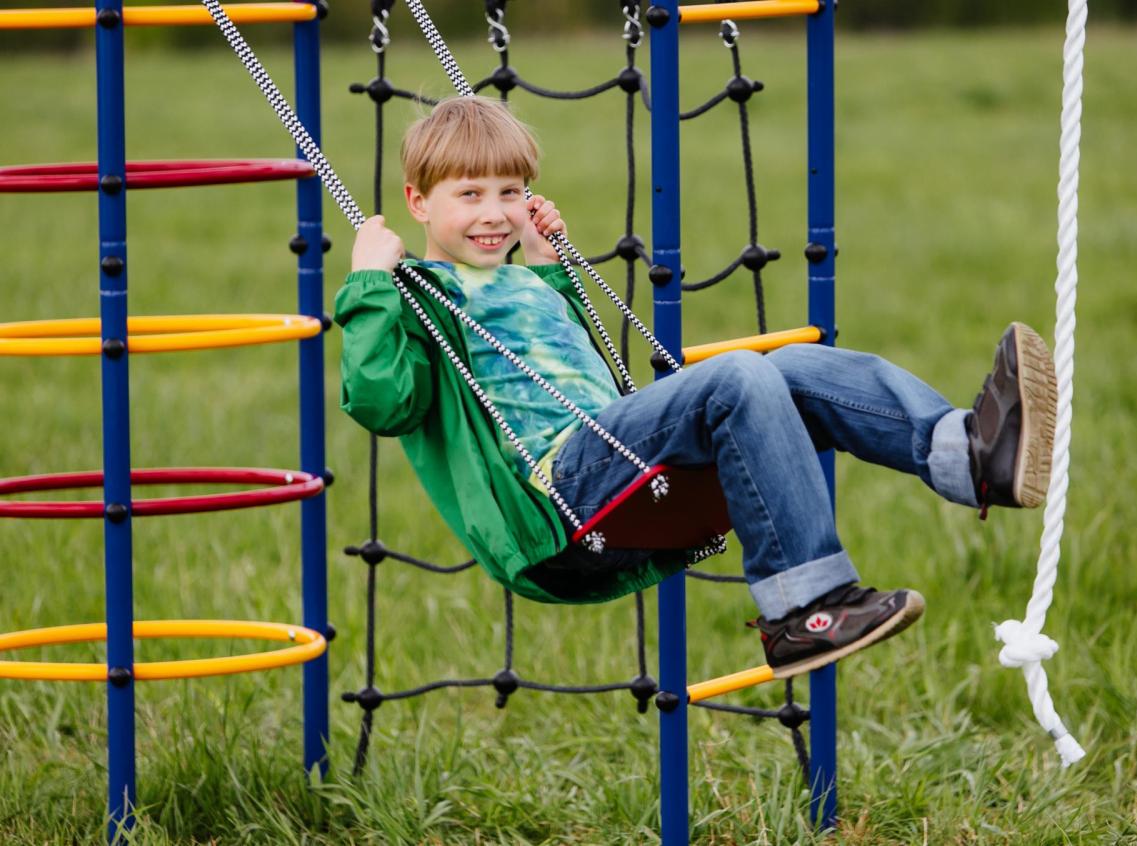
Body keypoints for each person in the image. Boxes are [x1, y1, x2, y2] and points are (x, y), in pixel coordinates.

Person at [335, 97, 1057, 679]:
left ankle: (966, 455)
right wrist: (369, 279)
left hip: (616, 470)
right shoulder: (413, 295)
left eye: (511, 192)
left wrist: (546, 264)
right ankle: (804, 608)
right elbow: (383, 402)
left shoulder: (522, 277)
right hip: (552, 509)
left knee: (789, 368)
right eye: (470, 195)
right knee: (735, 377)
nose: (494, 212)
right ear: (418, 203)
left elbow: (566, 371)